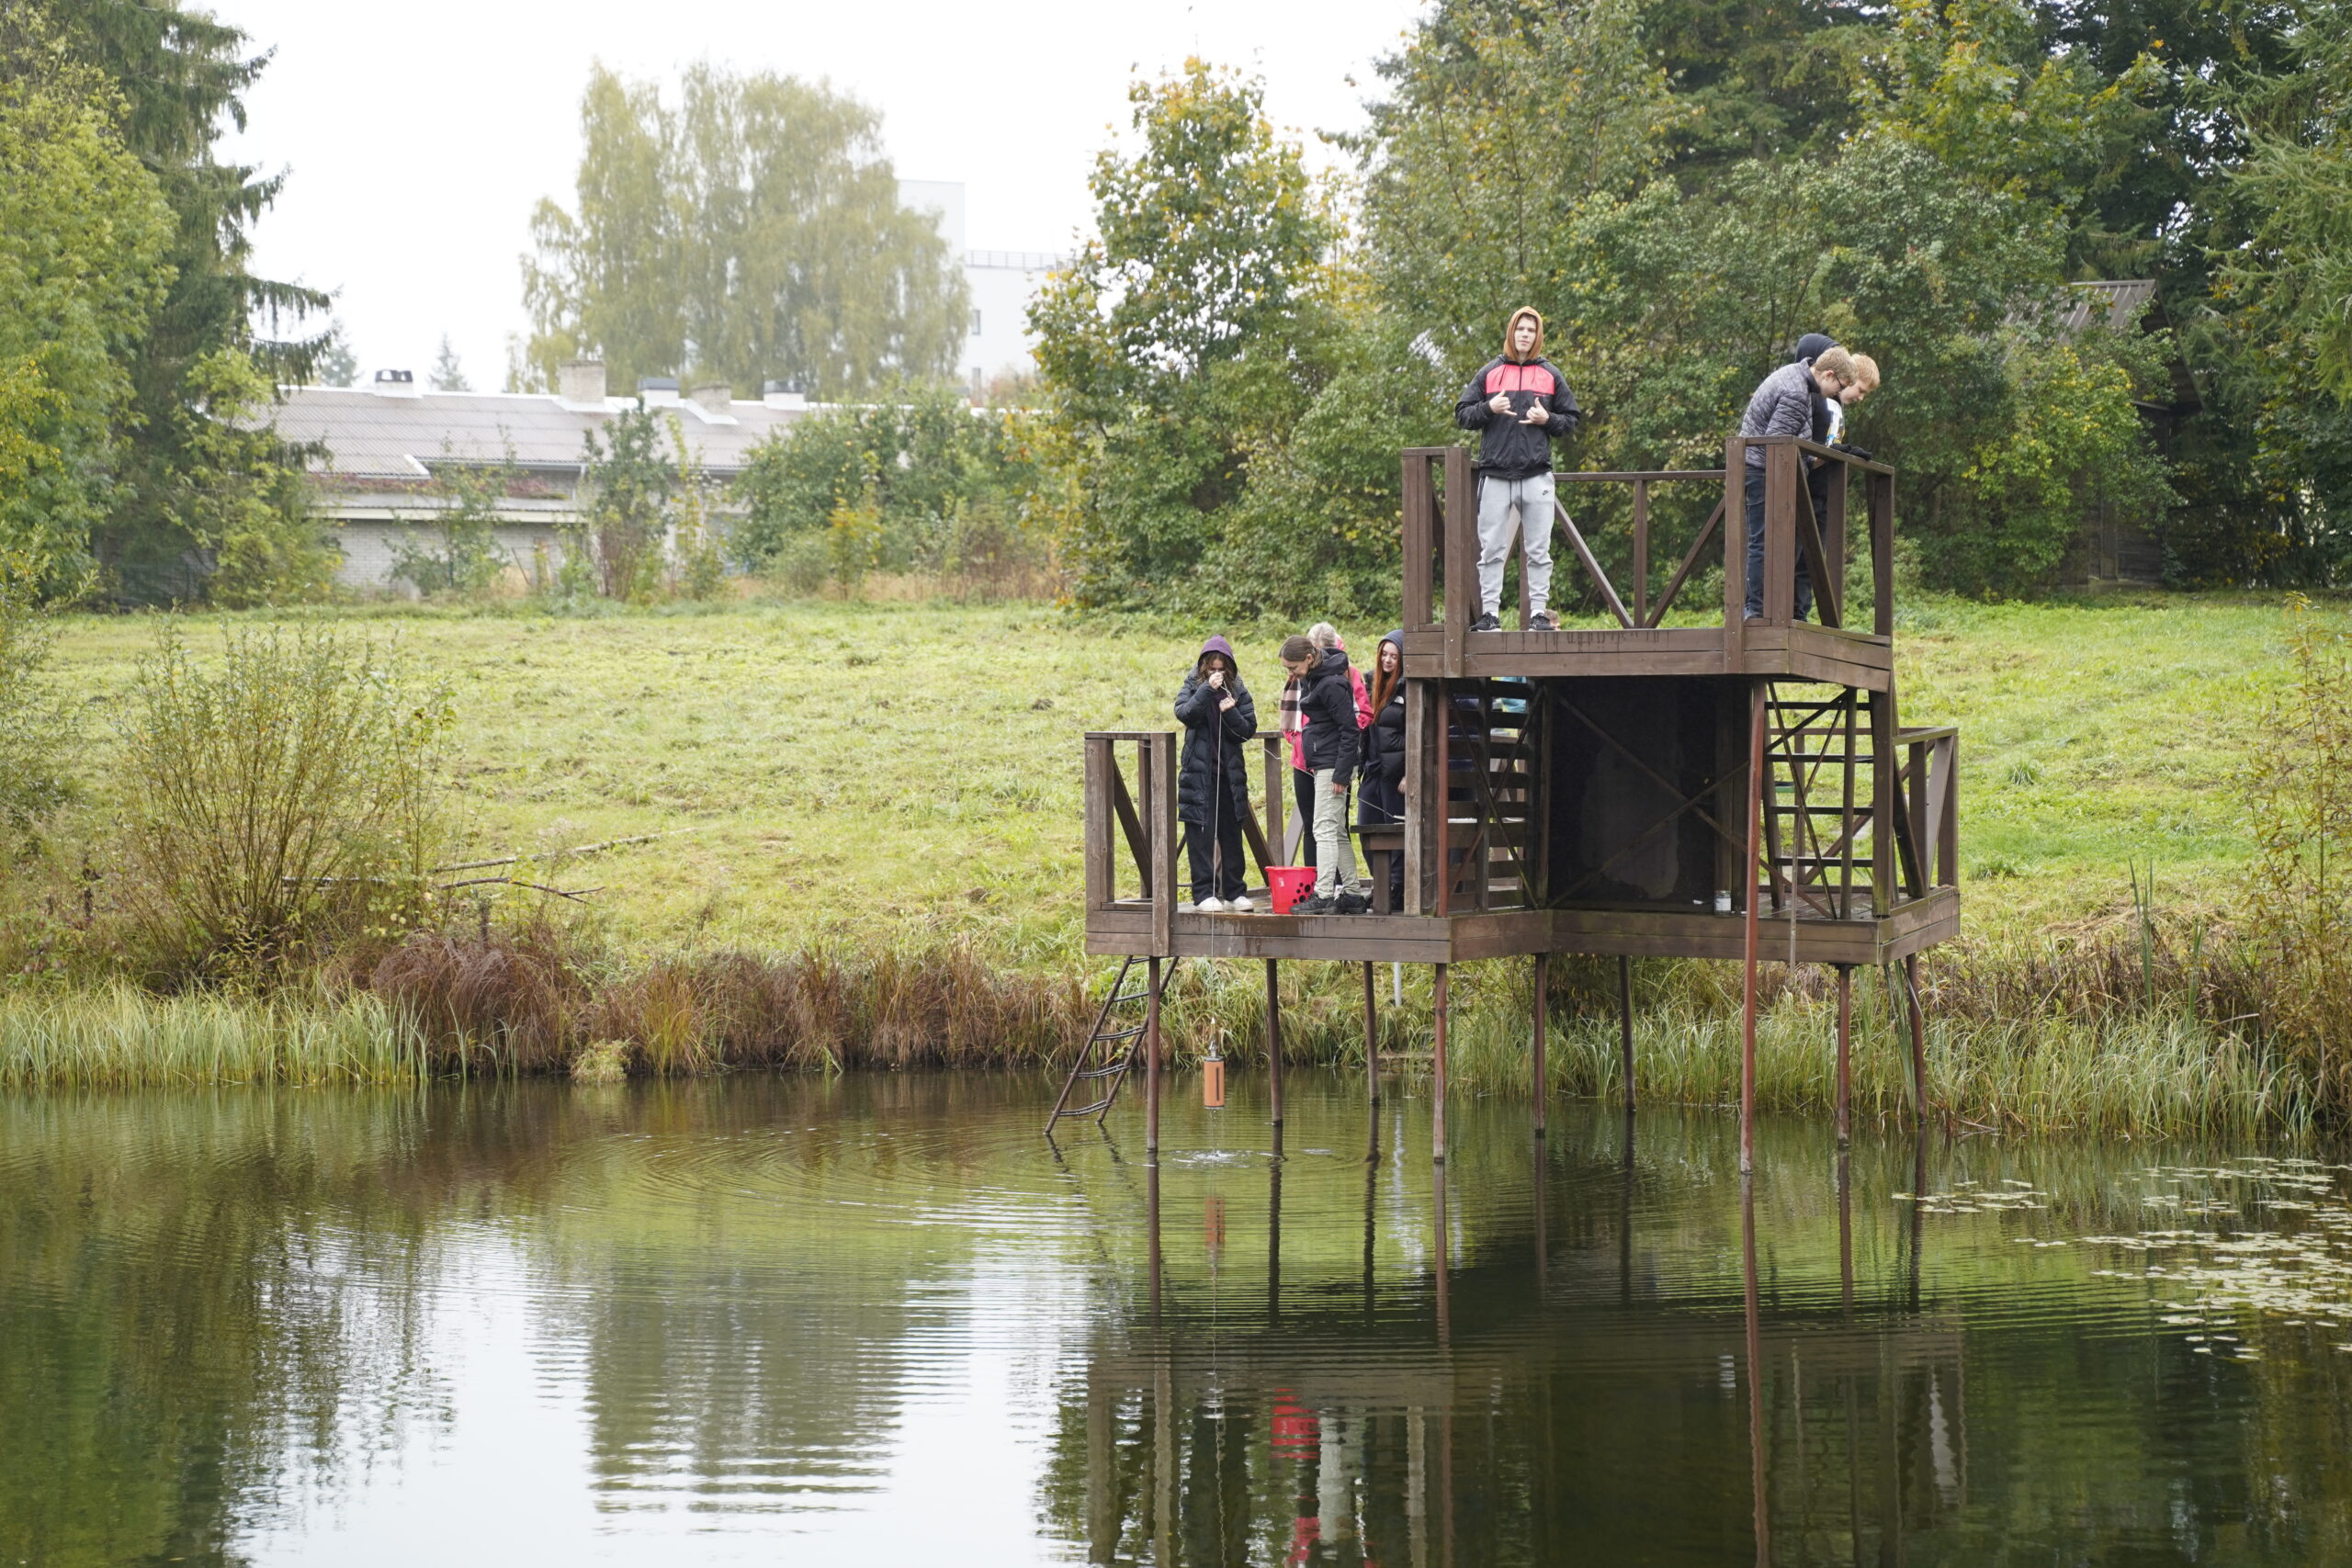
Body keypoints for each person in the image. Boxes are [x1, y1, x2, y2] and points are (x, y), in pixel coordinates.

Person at [1455, 307, 1579, 633]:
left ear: (1538, 336)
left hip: (1536, 474)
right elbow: (1463, 414)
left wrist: (1547, 419)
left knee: (1539, 551)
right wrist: (1489, 407)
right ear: (1511, 332)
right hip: (1495, 475)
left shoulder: (1550, 374)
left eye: (1531, 330)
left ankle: (1538, 614)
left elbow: (1571, 420)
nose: (1525, 334)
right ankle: (1490, 616)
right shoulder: (1490, 372)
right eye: (1520, 329)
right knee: (1491, 550)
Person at [1738, 344, 1858, 621]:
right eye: (1840, 386)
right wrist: (1810, 462)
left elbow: (1789, 443)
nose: (1838, 393)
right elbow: (1777, 446)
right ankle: (1756, 611)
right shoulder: (1796, 393)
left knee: (1768, 540)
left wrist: (1823, 456)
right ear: (1828, 374)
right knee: (1763, 541)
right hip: (1762, 471)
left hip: (1763, 468)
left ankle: (1763, 609)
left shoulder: (1796, 376)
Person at [1281, 634, 1365, 914]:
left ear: (1308, 658)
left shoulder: (1330, 684)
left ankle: (1324, 893)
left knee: (1323, 829)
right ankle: (1352, 894)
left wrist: (1341, 774)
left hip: (1333, 764)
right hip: (1325, 761)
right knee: (1337, 831)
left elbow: (1350, 730)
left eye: (1293, 668)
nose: (1291, 674)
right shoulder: (1314, 677)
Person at [1173, 636, 1257, 912]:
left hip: (1230, 775)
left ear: (1229, 668)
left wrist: (1230, 712)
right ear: (1204, 666)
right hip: (1199, 774)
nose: (1217, 673)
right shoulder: (1192, 685)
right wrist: (1206, 691)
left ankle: (1235, 892)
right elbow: (1184, 713)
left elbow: (1247, 730)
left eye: (1222, 669)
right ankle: (1203, 894)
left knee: (1232, 832)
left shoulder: (1239, 690)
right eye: (1212, 668)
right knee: (1200, 833)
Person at [1355, 630, 1408, 912]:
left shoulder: (1409, 687)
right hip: (1372, 769)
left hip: (1395, 773)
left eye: (1394, 656)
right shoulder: (1370, 683)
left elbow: (1420, 733)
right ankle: (1382, 884)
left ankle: (1398, 888)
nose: (1387, 660)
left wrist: (1410, 774)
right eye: (1384, 654)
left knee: (1395, 832)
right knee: (1366, 828)